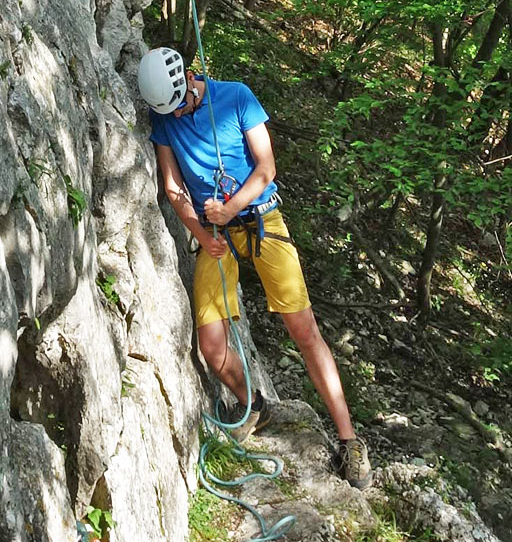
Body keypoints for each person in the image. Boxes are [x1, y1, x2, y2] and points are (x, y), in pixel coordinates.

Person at [138, 46, 372, 491]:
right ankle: (253, 404)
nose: (182, 112)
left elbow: (265, 168)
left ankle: (350, 440)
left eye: (184, 101)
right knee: (211, 346)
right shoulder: (164, 116)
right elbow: (172, 187)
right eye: (172, 109)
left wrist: (229, 210)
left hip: (261, 218)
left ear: (190, 76)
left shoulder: (237, 97)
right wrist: (204, 231)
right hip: (215, 234)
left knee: (304, 330)